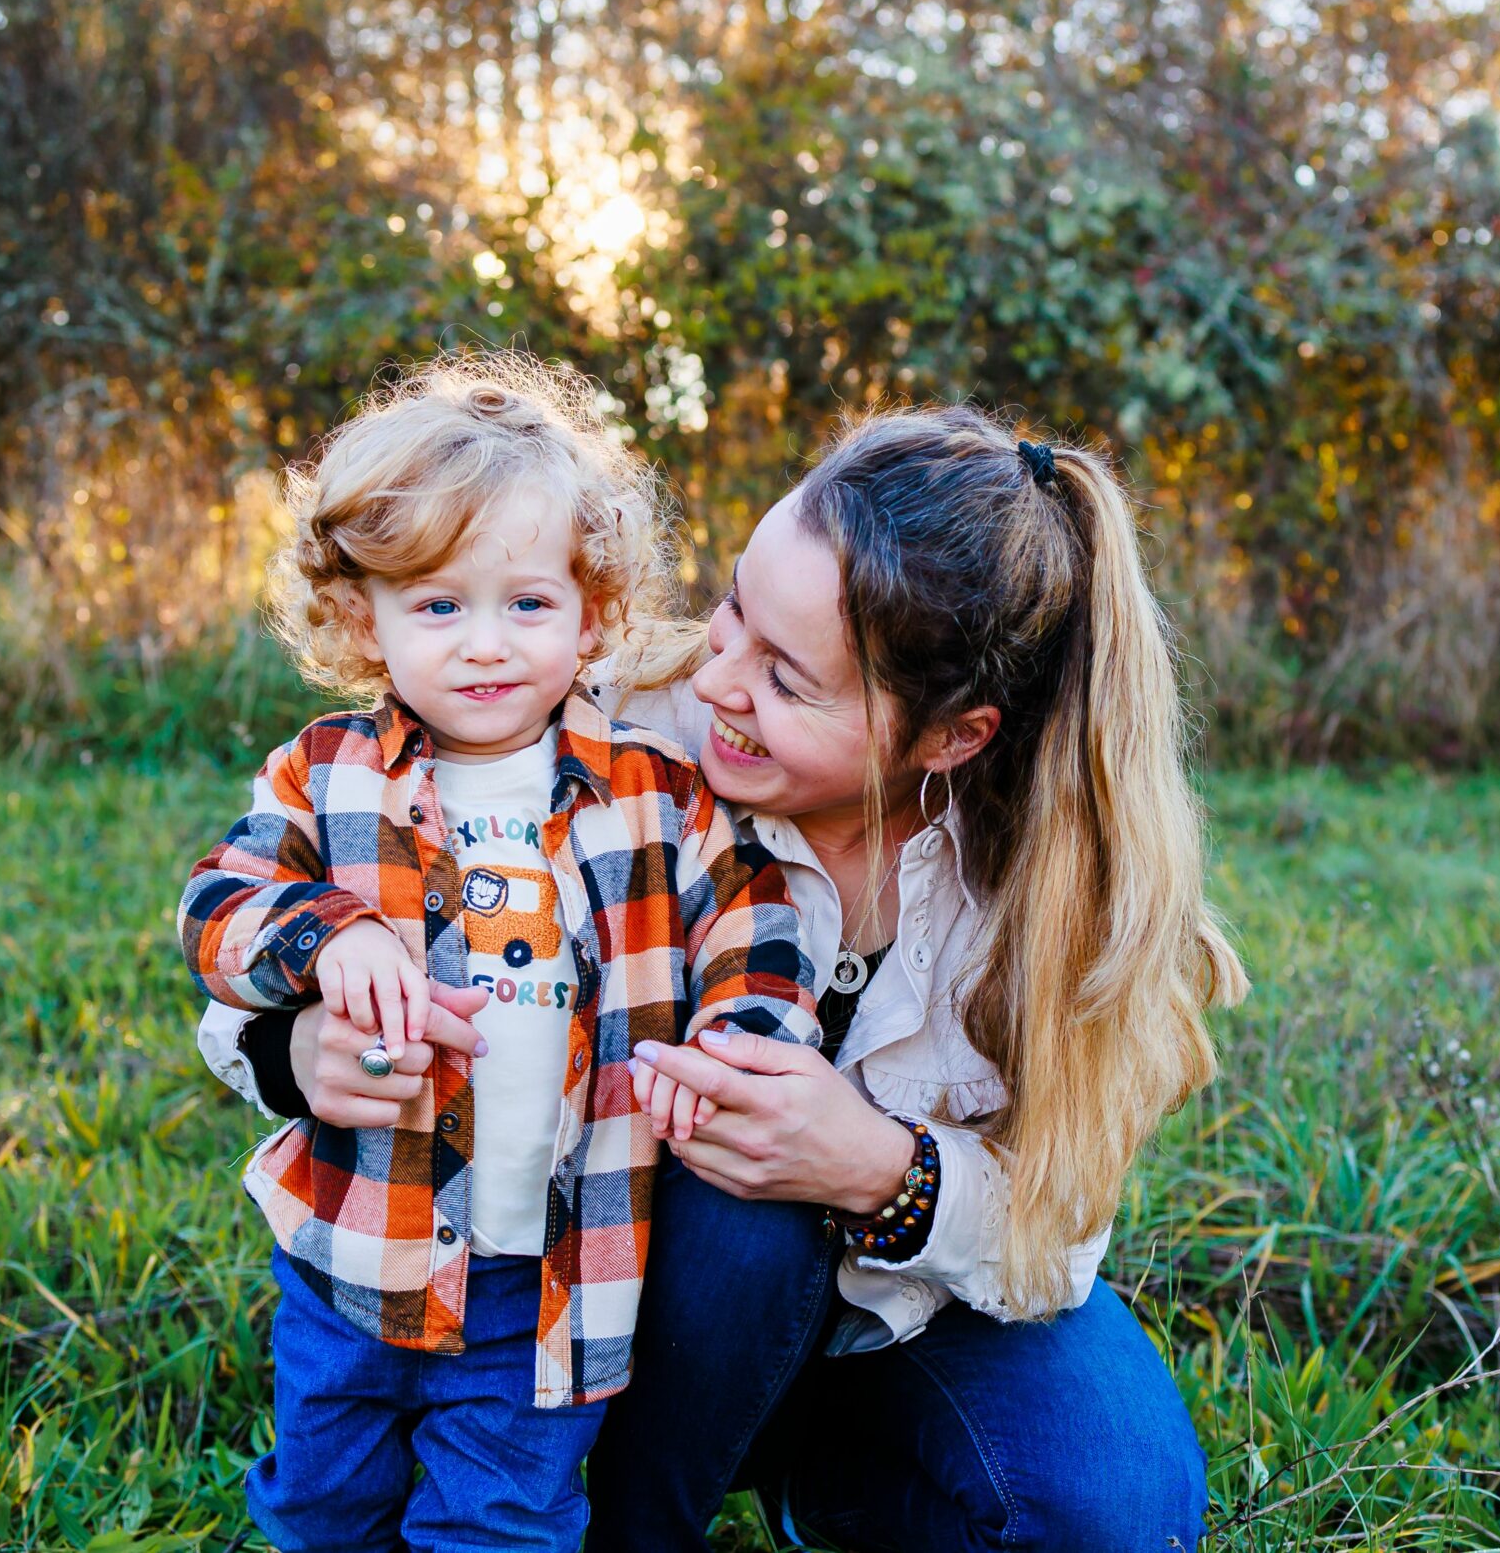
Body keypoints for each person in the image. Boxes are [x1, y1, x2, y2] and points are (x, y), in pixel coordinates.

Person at [201, 404, 1250, 1552]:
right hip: (619, 1285)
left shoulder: (1064, 888)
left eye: (789, 680)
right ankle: (639, 1519)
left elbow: (1062, 1233)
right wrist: (293, 1051)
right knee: (745, 1214)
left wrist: (875, 1168)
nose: (717, 684)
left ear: (950, 738)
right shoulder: (591, 716)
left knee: (1110, 1514)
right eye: (736, 609)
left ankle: (826, 1478)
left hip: (918, 1311)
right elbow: (264, 942)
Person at [179, 353, 817, 1553]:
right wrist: (329, 937)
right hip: (355, 1254)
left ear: (592, 612)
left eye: (527, 603)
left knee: (506, 1521)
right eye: (437, 605)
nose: (485, 644)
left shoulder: (654, 794)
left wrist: (738, 1036)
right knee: (327, 1508)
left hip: (552, 1278)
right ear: (359, 615)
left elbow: (753, 916)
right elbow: (219, 903)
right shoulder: (327, 772)